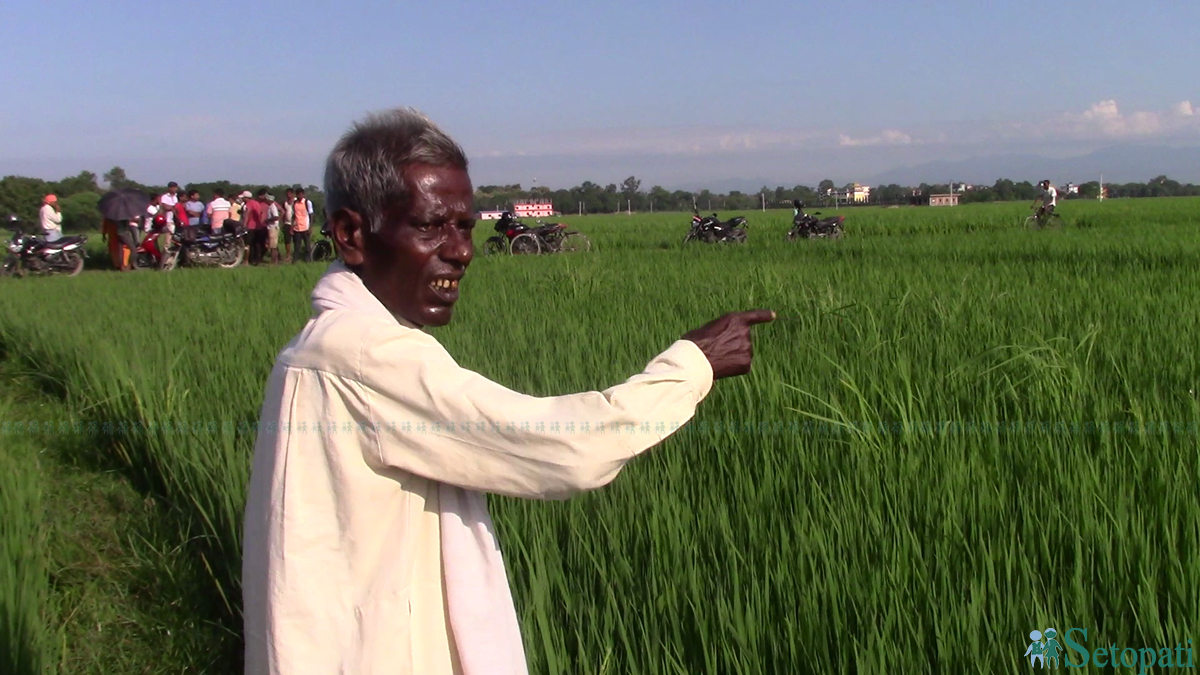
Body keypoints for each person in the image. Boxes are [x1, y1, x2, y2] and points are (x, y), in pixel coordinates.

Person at [241, 107, 775, 675]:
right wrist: (692, 364)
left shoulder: (320, 348)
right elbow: (566, 448)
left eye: (465, 227)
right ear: (352, 235)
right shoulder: (366, 357)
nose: (462, 251)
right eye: (430, 226)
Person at [242, 189, 268, 265]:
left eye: (243, 198)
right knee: (257, 244)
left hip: (251, 226)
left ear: (246, 198)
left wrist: (244, 225)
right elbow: (261, 213)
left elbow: (247, 214)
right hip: (259, 226)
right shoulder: (257, 203)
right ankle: (257, 259)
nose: (243, 199)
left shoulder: (249, 204)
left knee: (248, 244)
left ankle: (246, 261)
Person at [291, 188, 312, 262]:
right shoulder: (294, 203)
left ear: (303, 194)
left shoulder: (307, 202)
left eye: (301, 194)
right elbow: (294, 215)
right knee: (296, 246)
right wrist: (292, 227)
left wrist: (310, 227)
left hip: (305, 227)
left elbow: (311, 215)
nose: (300, 196)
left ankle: (308, 260)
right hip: (297, 227)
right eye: (298, 194)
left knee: (307, 246)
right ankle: (295, 260)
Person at [264, 194, 281, 264]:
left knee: (273, 246)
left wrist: (267, 220)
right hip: (271, 227)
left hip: (273, 227)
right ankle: (275, 260)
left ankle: (273, 261)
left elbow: (276, 217)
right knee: (272, 245)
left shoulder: (273, 207)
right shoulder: (270, 206)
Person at [281, 188, 296, 262]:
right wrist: (283, 222)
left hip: (296, 223)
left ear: (293, 194)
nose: (288, 195)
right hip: (287, 223)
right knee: (287, 240)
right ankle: (288, 254)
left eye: (290, 193)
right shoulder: (285, 202)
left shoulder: (296, 201)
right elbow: (283, 212)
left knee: (296, 240)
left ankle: (296, 254)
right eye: (287, 193)